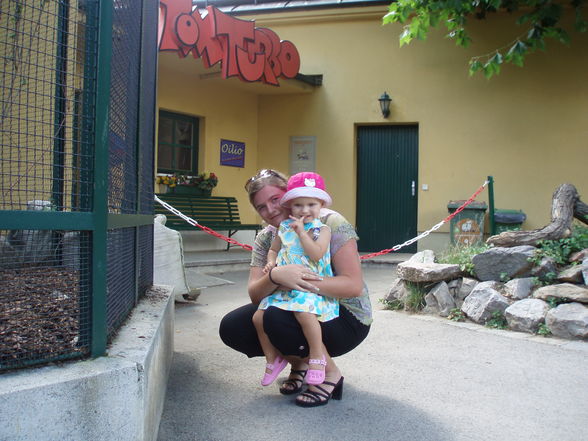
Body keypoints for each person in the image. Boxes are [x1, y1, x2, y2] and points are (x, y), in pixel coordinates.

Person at [218, 169, 372, 408]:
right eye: (261, 207)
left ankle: (330, 373)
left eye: (275, 200)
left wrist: (298, 279)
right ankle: (299, 363)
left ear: (290, 195)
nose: (271, 211)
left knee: (277, 316)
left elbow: (352, 285)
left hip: (344, 316)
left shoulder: (329, 223)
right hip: (294, 305)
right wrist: (277, 275)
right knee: (234, 327)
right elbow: (255, 294)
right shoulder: (268, 237)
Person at [253, 172, 337, 388]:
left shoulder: (323, 229)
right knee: (258, 316)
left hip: (310, 289)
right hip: (285, 290)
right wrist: (271, 263)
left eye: (311, 204)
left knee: (303, 313)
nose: (305, 210)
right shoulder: (283, 229)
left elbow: (316, 254)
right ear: (290, 206)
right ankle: (273, 359)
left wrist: (301, 233)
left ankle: (317, 357)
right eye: (298, 205)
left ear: (320, 206)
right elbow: (274, 249)